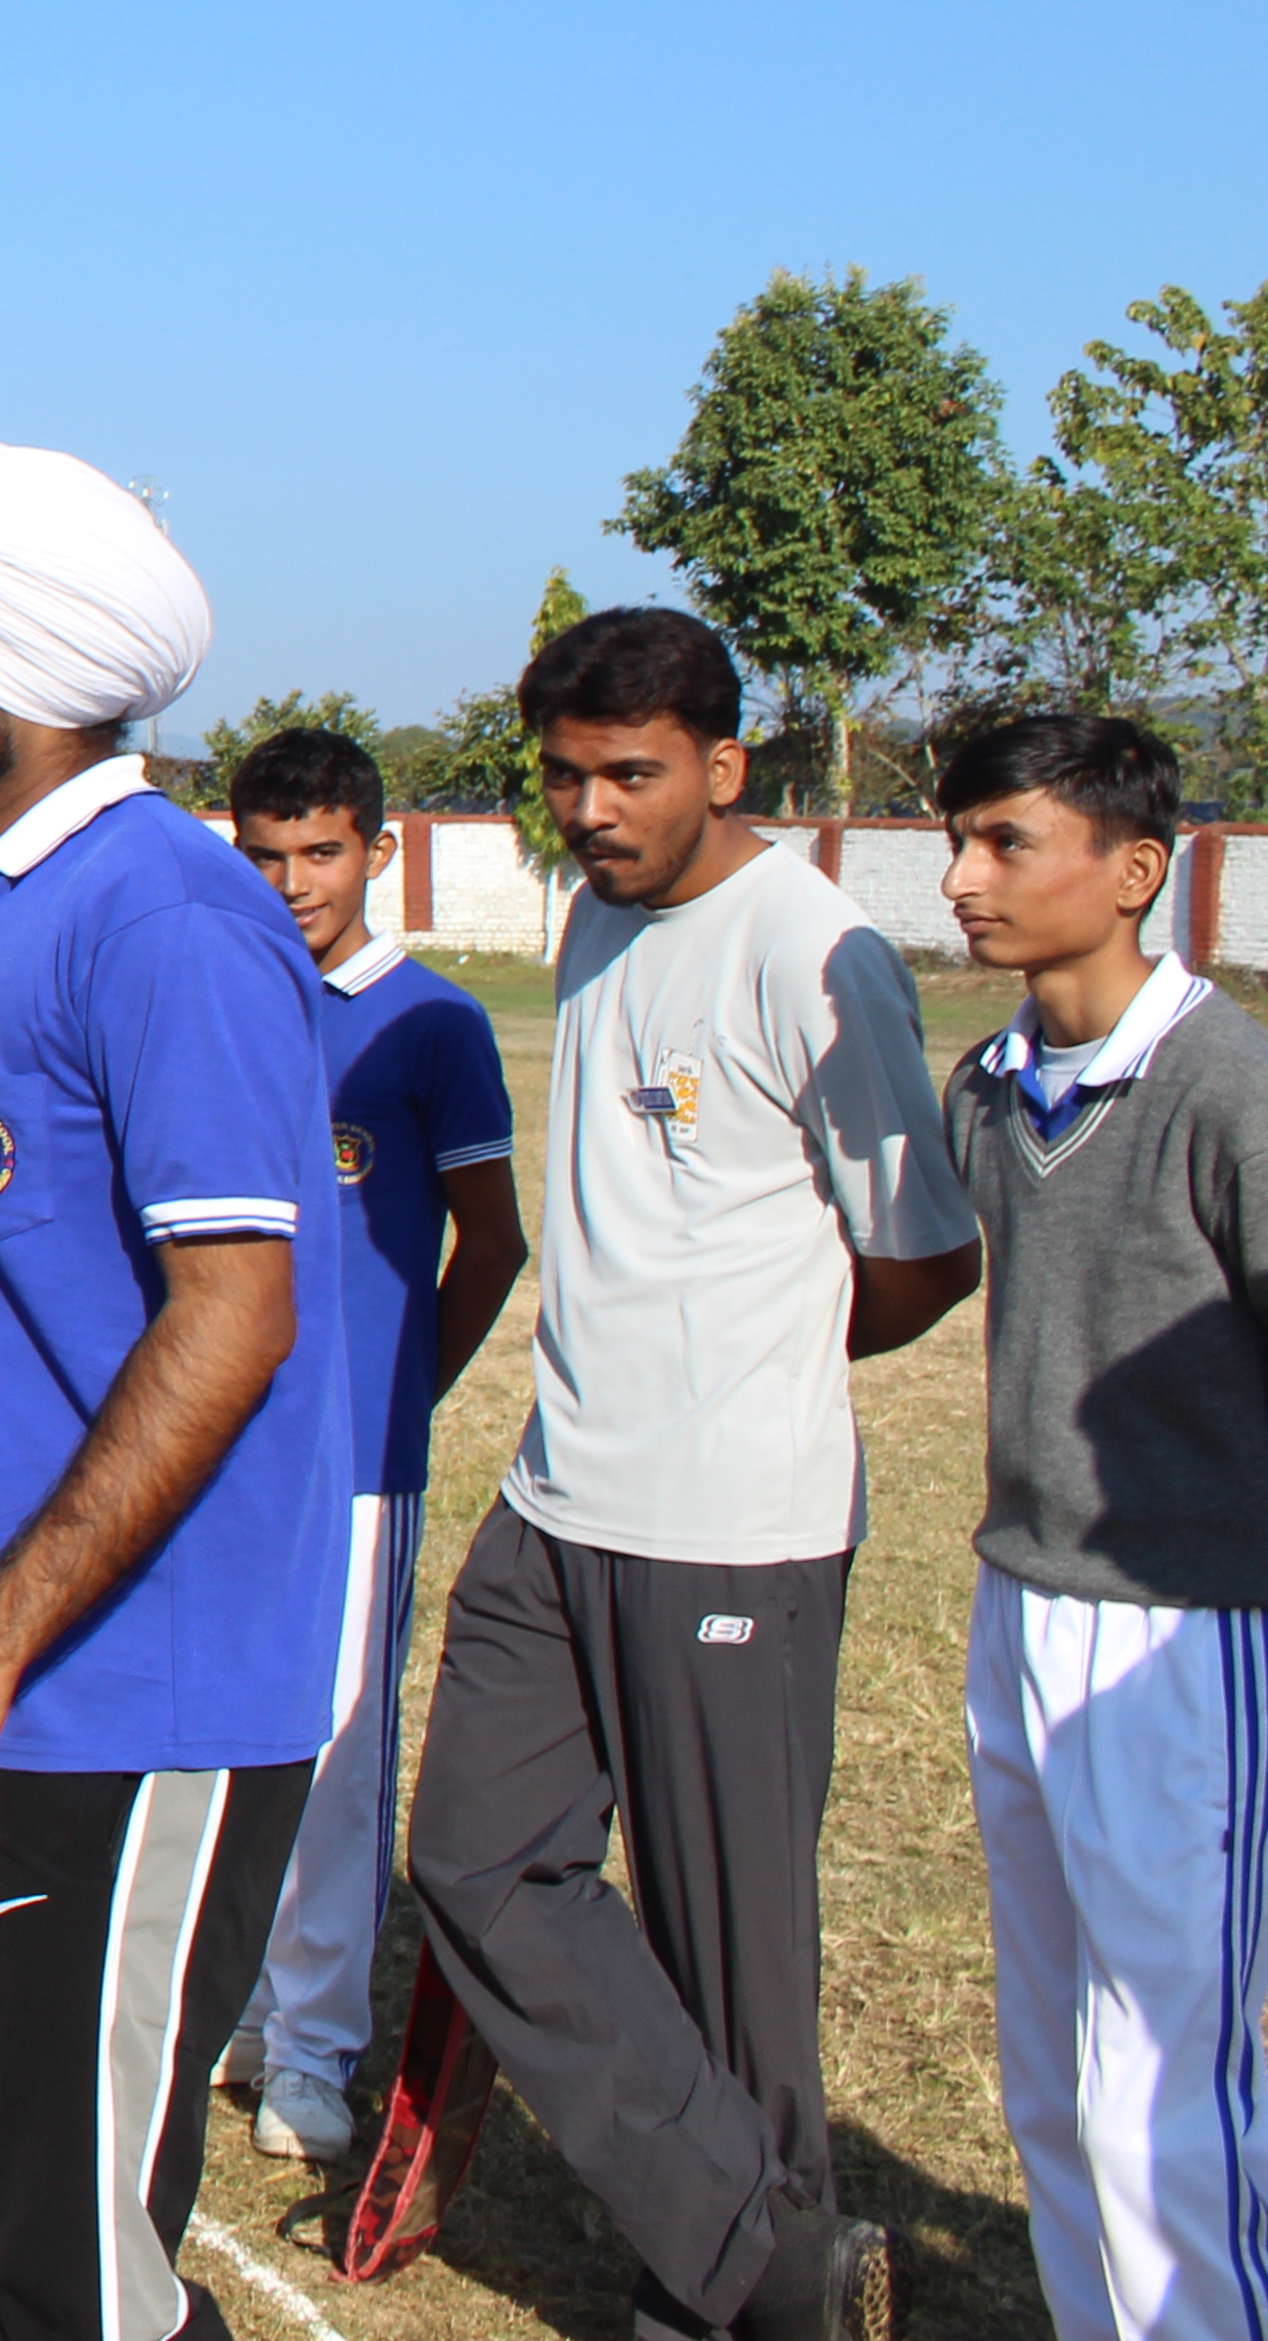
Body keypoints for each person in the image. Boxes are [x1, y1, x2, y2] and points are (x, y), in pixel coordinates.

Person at [399, 607, 976, 2341]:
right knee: (479, 1862)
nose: (590, 807)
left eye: (630, 773)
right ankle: (778, 2270)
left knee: (735, 1967)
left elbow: (925, 1252)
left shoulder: (816, 953)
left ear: (725, 767)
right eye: (567, 775)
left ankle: (721, 2295)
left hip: (734, 1527)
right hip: (557, 1497)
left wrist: (769, 1366)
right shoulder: (592, 922)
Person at [0, 433, 350, 2341]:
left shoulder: (168, 920)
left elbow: (232, 1320)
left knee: (76, 2279)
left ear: (24, 659)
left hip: (130, 1706)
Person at [929, 710, 1268, 2341]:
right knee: (1052, 2062)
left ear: (1135, 871)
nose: (962, 876)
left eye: (1006, 841)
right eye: (958, 838)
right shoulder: (986, 1089)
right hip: (1022, 1604)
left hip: (1189, 1629)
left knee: (1164, 2074)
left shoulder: (1230, 1087)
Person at [211, 724, 520, 2167]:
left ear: (378, 853)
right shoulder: (217, 997)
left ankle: (314, 2043)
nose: (291, 883)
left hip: (351, 1465)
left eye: (321, 852)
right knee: (222, 1733)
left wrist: (407, 1389)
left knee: (339, 1749)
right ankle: (229, 2006)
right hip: (209, 1449)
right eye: (264, 854)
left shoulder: (430, 1025)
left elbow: (492, 1239)